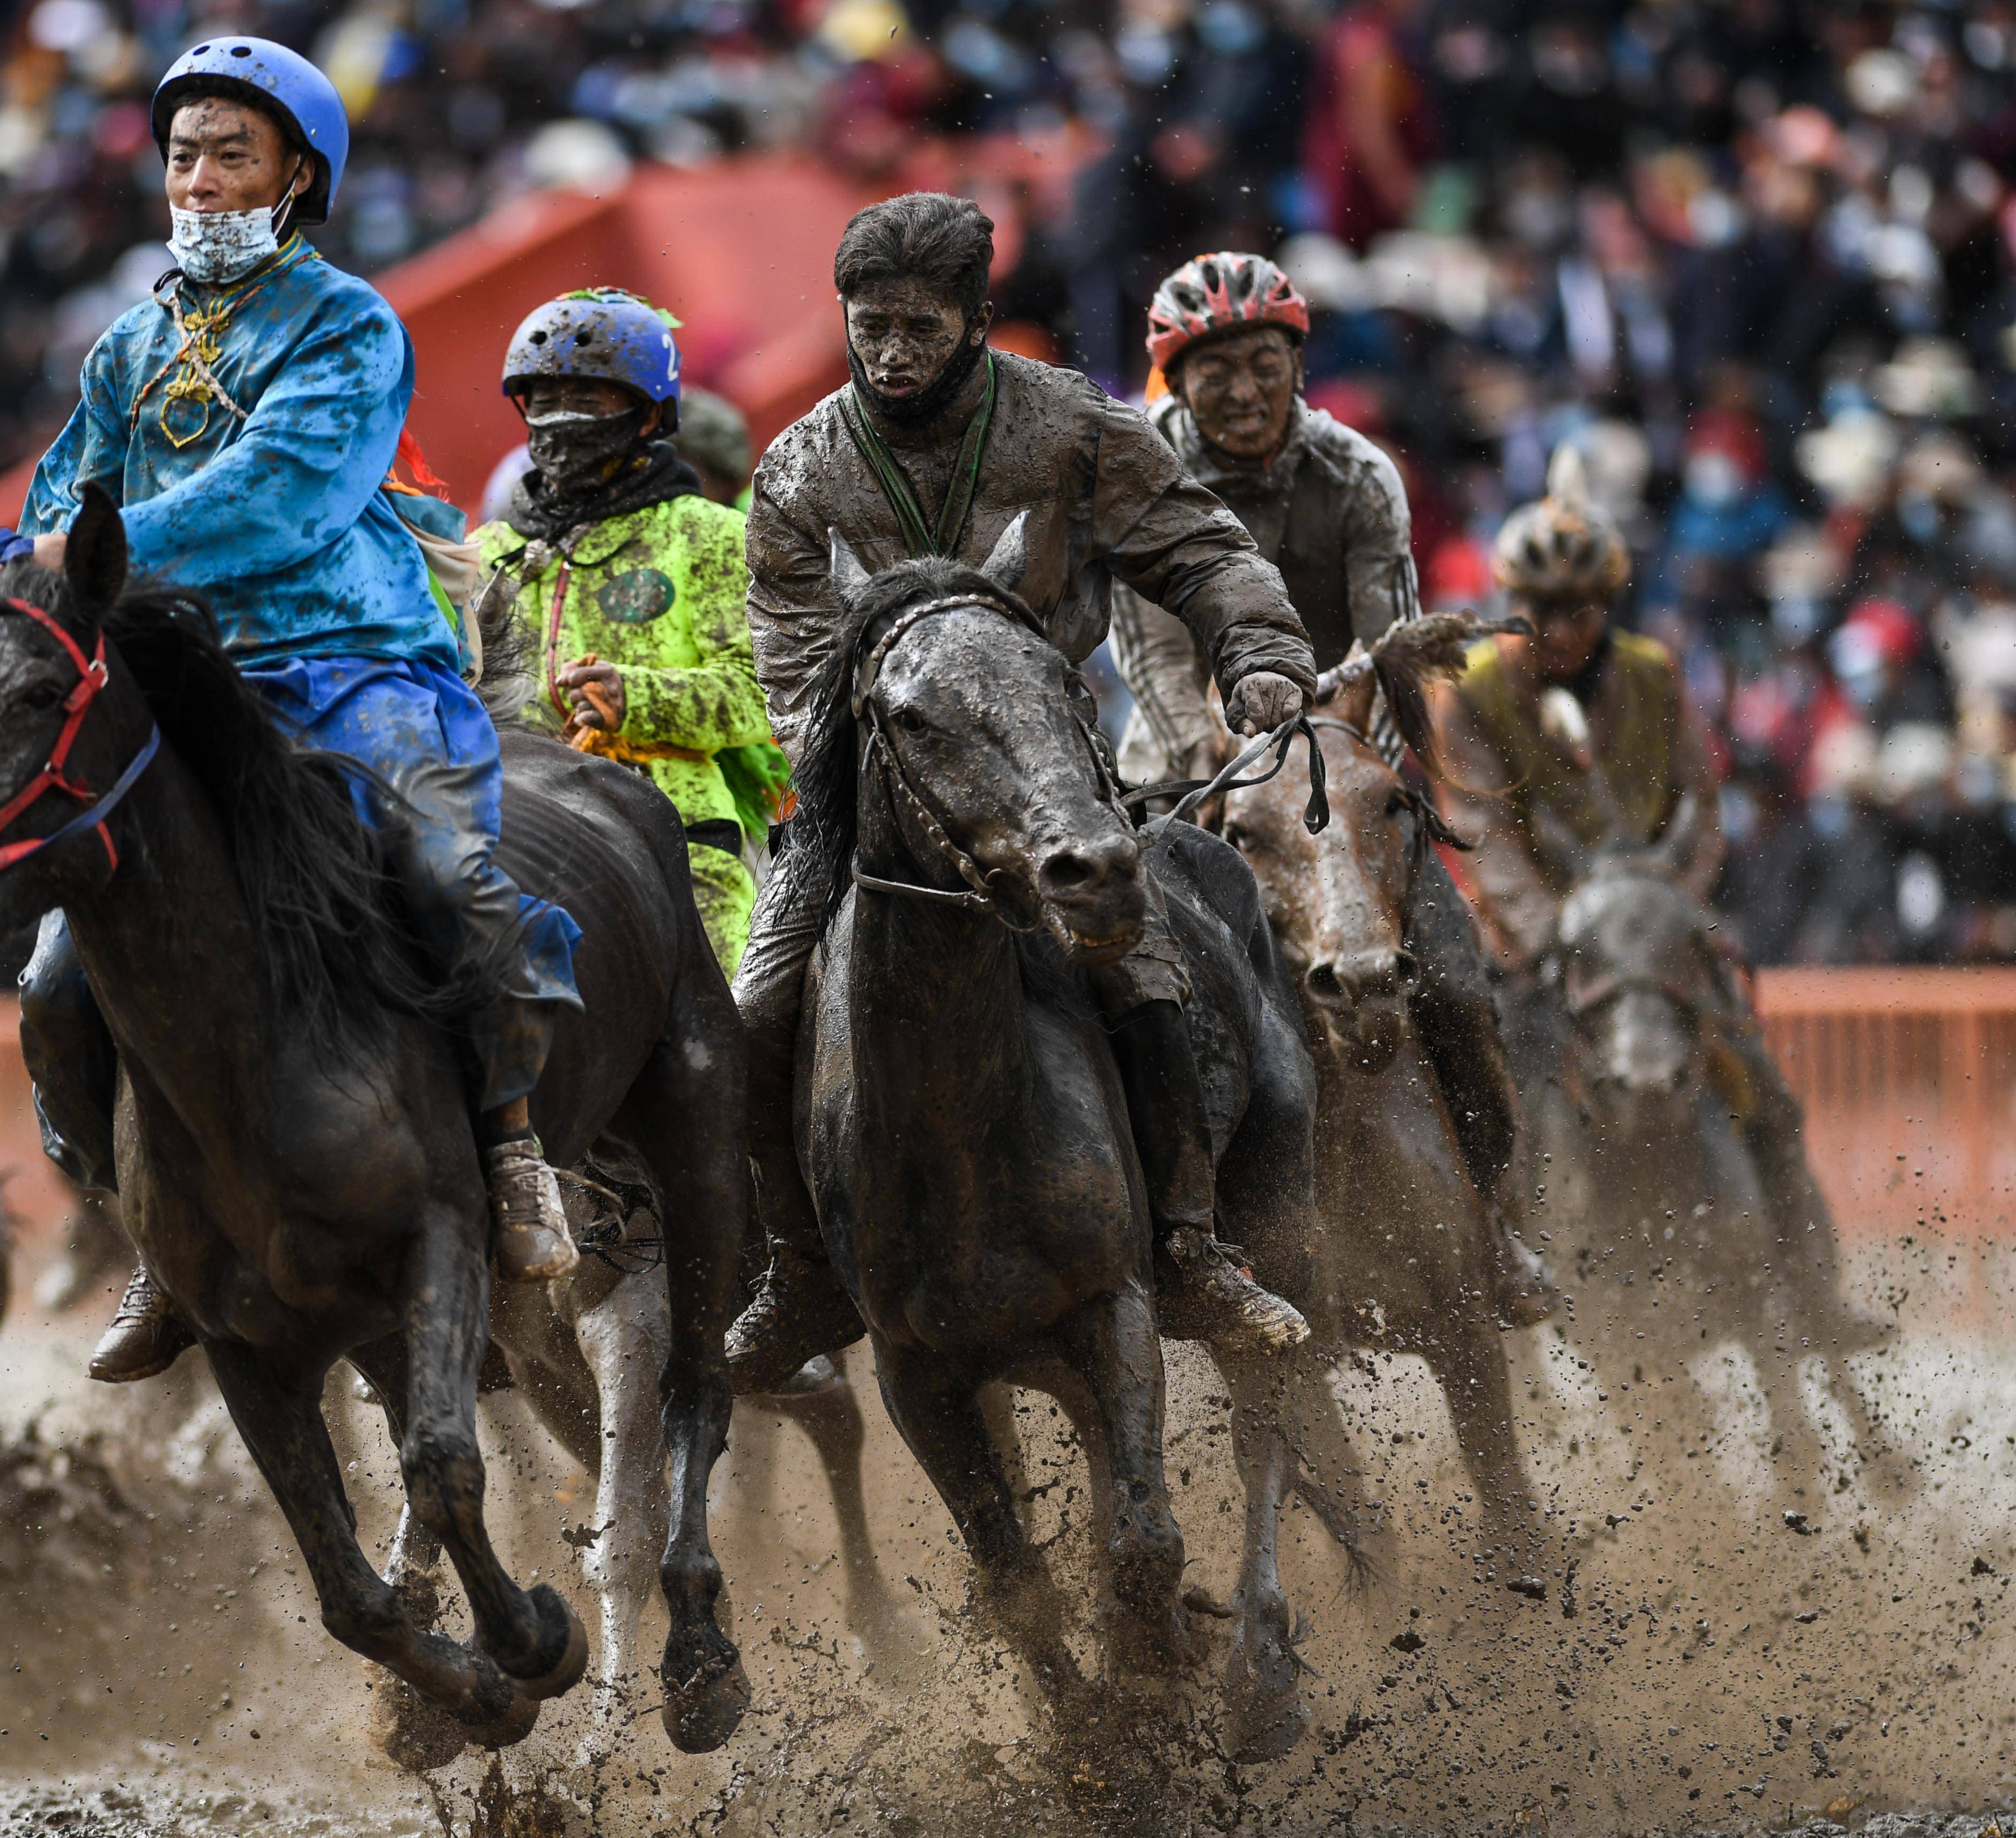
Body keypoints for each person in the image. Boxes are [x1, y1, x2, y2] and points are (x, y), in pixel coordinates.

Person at [0, 37, 586, 1385]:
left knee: (447, 880)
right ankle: (154, 1223)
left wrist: (82, 547)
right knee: (56, 983)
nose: (197, 183)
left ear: (297, 176)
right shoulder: (127, 346)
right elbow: (52, 503)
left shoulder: (348, 324)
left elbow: (279, 500)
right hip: (190, 692)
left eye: (229, 156)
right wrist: (9, 555)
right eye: (181, 157)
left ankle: (509, 1148)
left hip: (351, 667)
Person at [730, 192, 1320, 1389]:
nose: (891, 352)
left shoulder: (1069, 428)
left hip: (1054, 777)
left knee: (1142, 967)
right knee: (752, 1009)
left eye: (920, 328)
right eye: (870, 325)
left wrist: (1257, 652)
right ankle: (796, 1266)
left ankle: (1191, 1248)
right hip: (871, 795)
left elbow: (1202, 550)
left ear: (976, 320)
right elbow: (789, 664)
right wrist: (865, 754)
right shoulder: (796, 468)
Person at [1111, 251, 1550, 1328]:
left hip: (1341, 762)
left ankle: (1496, 1229)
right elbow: (1155, 660)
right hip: (1190, 777)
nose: (1246, 392)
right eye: (1216, 375)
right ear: (1176, 382)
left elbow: (1391, 649)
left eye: (1263, 365)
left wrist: (1328, 746)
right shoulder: (1136, 480)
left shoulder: (1357, 474)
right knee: (1120, 1000)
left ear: (1295, 363)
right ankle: (1148, 1243)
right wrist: (1222, 761)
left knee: (1456, 990)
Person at [1431, 445, 1888, 1350]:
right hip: (1537, 948)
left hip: (1653, 927)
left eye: (1582, 608)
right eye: (1544, 608)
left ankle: (1815, 1294)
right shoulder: (1471, 697)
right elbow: (1483, 840)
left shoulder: (1653, 672)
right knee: (1485, 1108)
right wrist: (1562, 929)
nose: (1562, 626)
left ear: (1609, 604)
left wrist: (1666, 906)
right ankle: (1495, 1278)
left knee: (1764, 1091)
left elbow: (1701, 808)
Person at [477, 290, 786, 980]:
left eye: (589, 398)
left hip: (677, 844)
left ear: (650, 414)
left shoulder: (710, 536)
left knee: (738, 1048)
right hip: (509, 837)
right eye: (545, 397)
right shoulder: (487, 552)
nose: (562, 418)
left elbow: (760, 696)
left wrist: (636, 697)